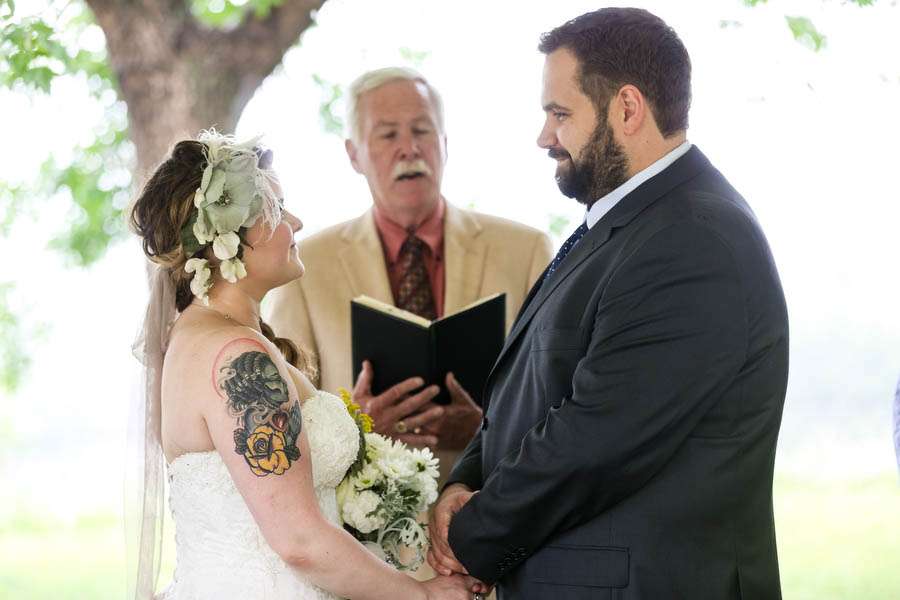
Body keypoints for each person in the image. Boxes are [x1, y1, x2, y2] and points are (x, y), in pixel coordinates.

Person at [428, 8, 789, 600]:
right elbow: (532, 394)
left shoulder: (693, 240)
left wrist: (468, 537)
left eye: (560, 114)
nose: (544, 137)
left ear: (627, 107)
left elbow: (595, 440)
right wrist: (463, 483)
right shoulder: (629, 224)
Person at [127, 130, 476, 599]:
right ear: (225, 240)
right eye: (277, 209)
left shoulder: (201, 336)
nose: (296, 222)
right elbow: (300, 542)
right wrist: (423, 596)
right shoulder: (238, 358)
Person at [265, 67, 553, 483]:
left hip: (493, 506)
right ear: (354, 154)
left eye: (422, 130)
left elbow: (558, 401)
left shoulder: (526, 251)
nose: (409, 149)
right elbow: (282, 420)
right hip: (361, 516)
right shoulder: (304, 266)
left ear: (445, 143)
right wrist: (356, 428)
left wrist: (485, 429)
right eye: (387, 135)